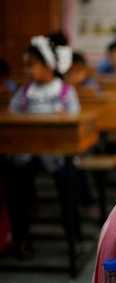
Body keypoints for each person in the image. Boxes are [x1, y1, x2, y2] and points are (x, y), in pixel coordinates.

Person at [7, 35, 78, 259]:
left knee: (68, 179)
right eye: (26, 65)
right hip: (27, 154)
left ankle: (71, 232)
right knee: (16, 184)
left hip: (57, 155)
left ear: (49, 65)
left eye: (33, 65)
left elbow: (75, 121)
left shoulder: (65, 91)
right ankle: (21, 236)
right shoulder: (25, 92)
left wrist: (64, 118)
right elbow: (13, 115)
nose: (28, 71)